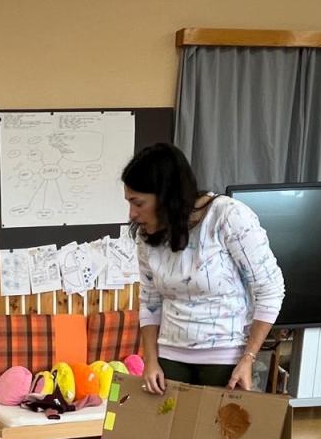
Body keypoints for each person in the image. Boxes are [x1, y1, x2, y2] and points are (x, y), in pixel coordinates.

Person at [122, 143, 285, 393]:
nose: (132, 214)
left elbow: (270, 290)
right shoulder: (147, 234)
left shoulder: (228, 216)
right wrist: (151, 360)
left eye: (138, 203)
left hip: (225, 358)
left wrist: (248, 358)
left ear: (166, 196)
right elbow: (150, 300)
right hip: (169, 357)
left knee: (221, 420)